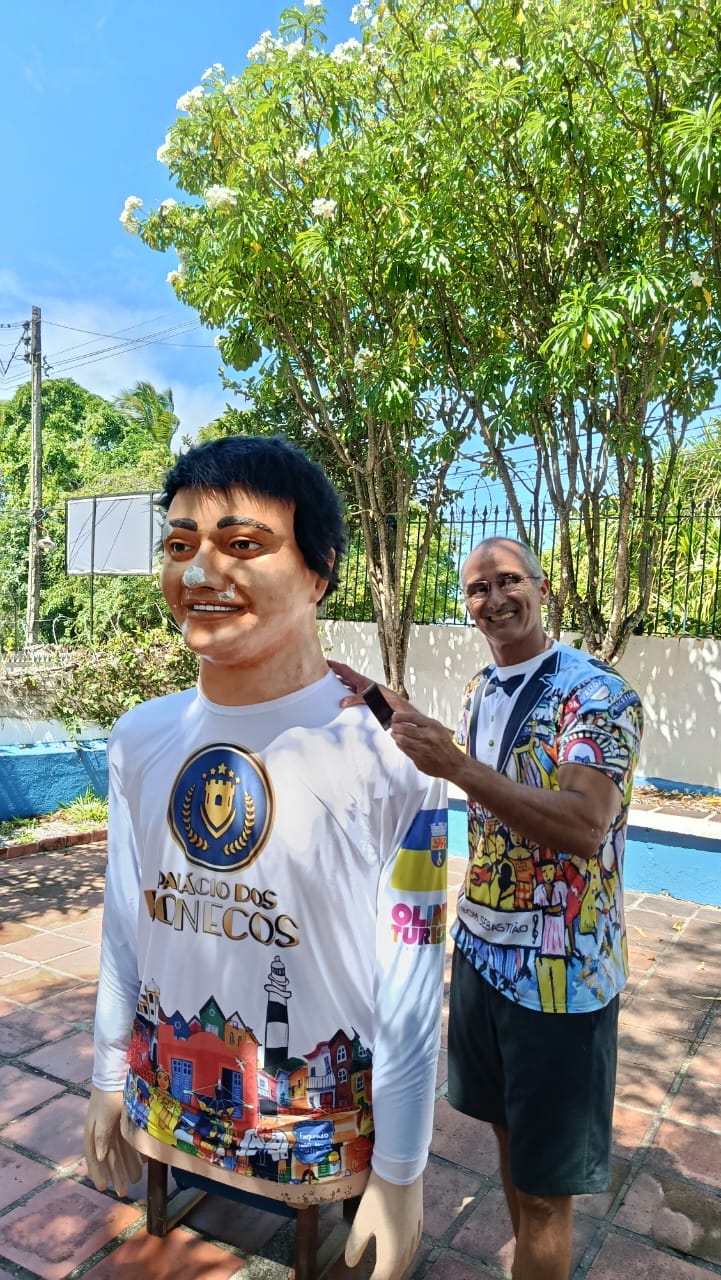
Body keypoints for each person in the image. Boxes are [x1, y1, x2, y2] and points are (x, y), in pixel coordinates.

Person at [84, 436, 448, 1280]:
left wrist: (398, 1171)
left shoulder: (394, 757)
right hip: (165, 1098)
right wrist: (109, 1073)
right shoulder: (140, 738)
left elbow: (408, 978)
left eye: (242, 544)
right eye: (180, 546)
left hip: (317, 1139)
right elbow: (126, 917)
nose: (202, 572)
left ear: (319, 571)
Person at [332, 536, 643, 1280]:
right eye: (476, 589)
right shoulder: (483, 687)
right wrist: (378, 699)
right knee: (507, 1138)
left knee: (544, 1195)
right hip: (480, 954)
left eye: (508, 582)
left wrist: (460, 769)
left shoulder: (594, 693)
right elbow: (461, 760)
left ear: (544, 589)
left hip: (557, 975)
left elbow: (580, 824)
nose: (493, 599)